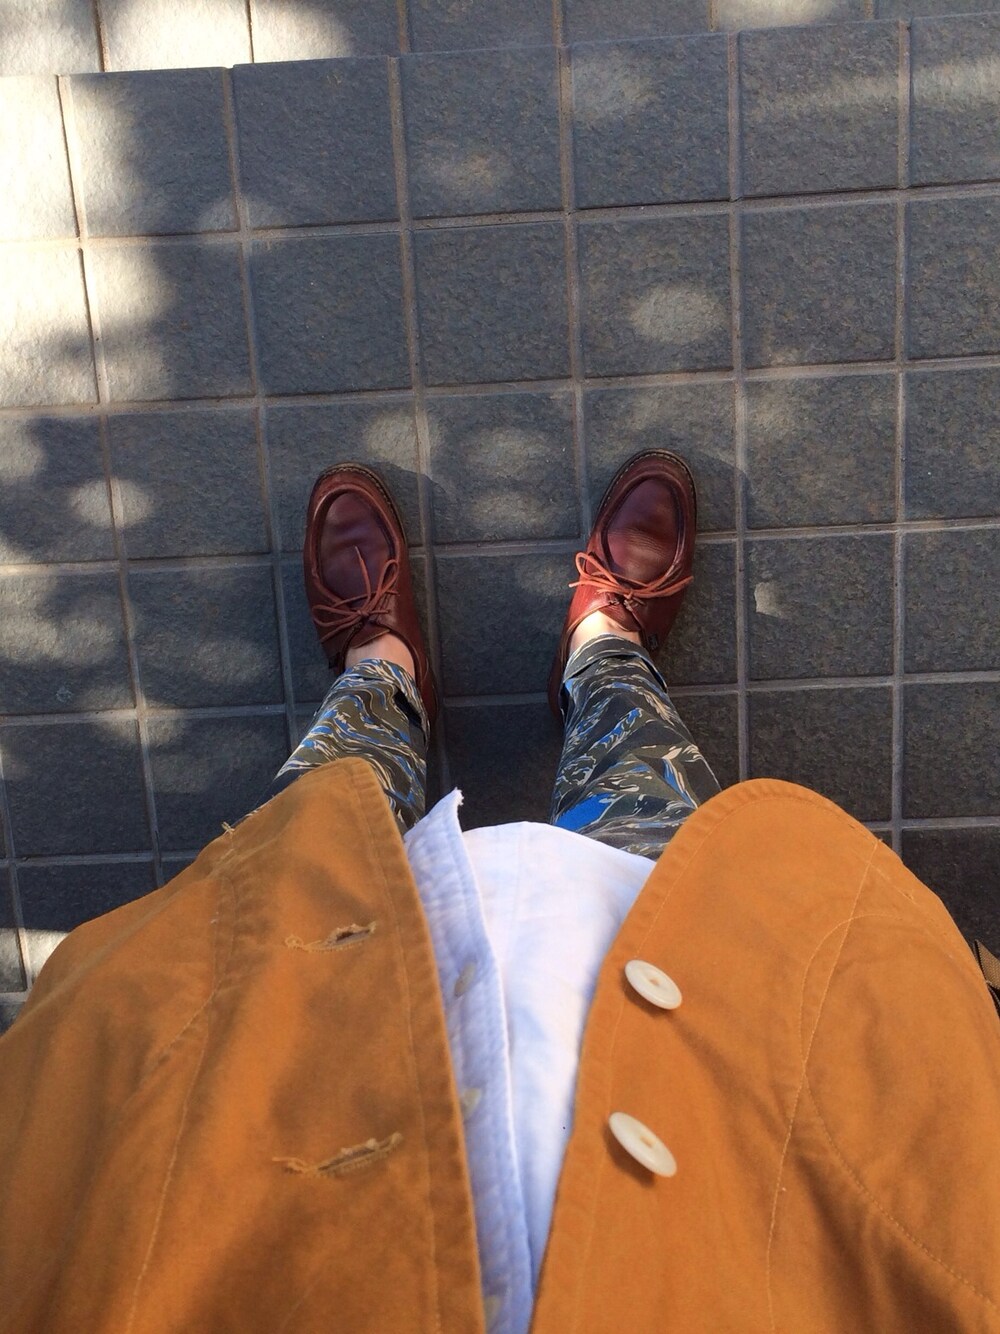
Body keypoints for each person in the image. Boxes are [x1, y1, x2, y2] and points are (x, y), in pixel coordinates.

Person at [0, 451, 997, 1334]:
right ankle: (603, 655)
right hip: (748, 1201)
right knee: (663, 849)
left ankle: (380, 677)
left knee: (316, 851)